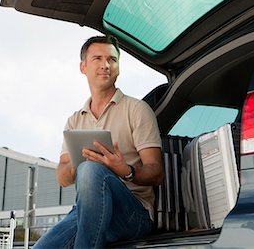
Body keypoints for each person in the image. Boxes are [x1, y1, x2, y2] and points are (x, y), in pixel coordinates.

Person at [33, 35, 164, 249]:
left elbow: (156, 172)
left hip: (133, 213)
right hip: (86, 211)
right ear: (83, 67)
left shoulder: (137, 110)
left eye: (112, 60)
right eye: (98, 59)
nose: (105, 65)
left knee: (91, 171)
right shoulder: (75, 120)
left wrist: (126, 170)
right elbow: (62, 177)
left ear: (119, 68)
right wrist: (80, 159)